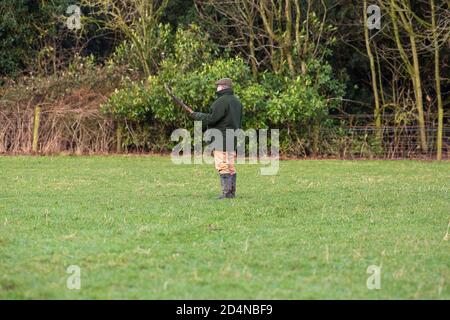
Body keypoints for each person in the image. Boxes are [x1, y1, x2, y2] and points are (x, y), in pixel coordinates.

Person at [190, 78, 243, 199]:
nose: (216, 88)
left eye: (218, 86)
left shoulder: (221, 102)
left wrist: (197, 115)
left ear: (223, 87)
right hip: (232, 138)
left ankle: (226, 194)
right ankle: (231, 193)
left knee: (222, 165)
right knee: (230, 166)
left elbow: (212, 119)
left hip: (221, 139)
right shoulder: (237, 102)